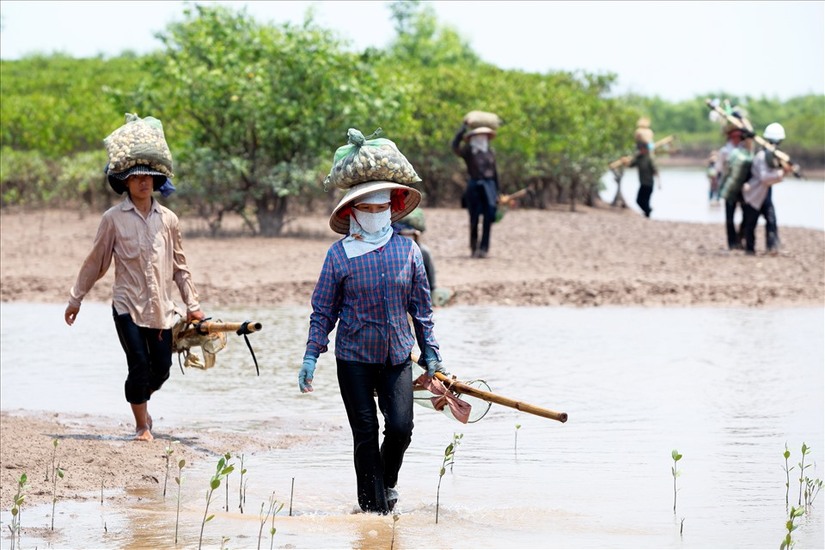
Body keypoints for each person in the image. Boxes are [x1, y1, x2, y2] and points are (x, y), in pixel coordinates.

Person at [298, 179, 444, 515]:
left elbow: (421, 310)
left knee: (400, 428)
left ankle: (386, 483)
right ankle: (373, 512)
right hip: (353, 358)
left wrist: (431, 354)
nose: (376, 215)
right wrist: (311, 355)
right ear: (353, 212)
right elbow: (323, 311)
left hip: (397, 355)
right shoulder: (339, 255)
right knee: (365, 432)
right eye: (368, 209)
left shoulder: (409, 252)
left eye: (382, 208)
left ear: (392, 210)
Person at [64, 164, 205, 441]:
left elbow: (180, 266)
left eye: (148, 176)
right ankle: (142, 426)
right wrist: (75, 299)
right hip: (126, 305)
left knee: (161, 369)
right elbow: (96, 262)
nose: (143, 182)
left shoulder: (168, 219)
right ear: (126, 183)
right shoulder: (113, 219)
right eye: (137, 177)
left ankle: (140, 398)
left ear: (155, 180)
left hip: (160, 309)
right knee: (138, 364)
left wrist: (193, 305)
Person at [741, 122, 791, 255]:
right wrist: (782, 173)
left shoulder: (773, 157)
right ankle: (749, 249)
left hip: (765, 193)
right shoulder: (762, 157)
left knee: (771, 220)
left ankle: (772, 247)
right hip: (754, 194)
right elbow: (764, 178)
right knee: (751, 222)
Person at [452, 123, 499, 258]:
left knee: (488, 217)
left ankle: (484, 248)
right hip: (474, 187)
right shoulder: (468, 152)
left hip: (489, 186)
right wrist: (461, 131)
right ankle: (474, 247)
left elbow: (495, 173)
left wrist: (498, 192)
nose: (481, 139)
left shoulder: (490, 152)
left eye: (484, 136)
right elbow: (455, 147)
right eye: (478, 136)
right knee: (474, 218)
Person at [719, 125, 754, 251]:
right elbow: (721, 170)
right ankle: (731, 243)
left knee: (747, 214)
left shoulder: (745, 149)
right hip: (730, 186)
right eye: (734, 136)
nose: (736, 139)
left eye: (739, 136)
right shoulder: (725, 151)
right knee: (729, 216)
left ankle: (740, 238)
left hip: (743, 187)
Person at [629, 139, 661, 218]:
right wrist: (631, 159)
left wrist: (659, 183)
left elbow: (656, 171)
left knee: (644, 201)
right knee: (639, 201)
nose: (640, 150)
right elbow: (631, 165)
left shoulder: (650, 158)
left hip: (649, 183)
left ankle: (648, 214)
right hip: (642, 183)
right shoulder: (639, 158)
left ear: (645, 149)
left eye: (641, 149)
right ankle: (648, 212)